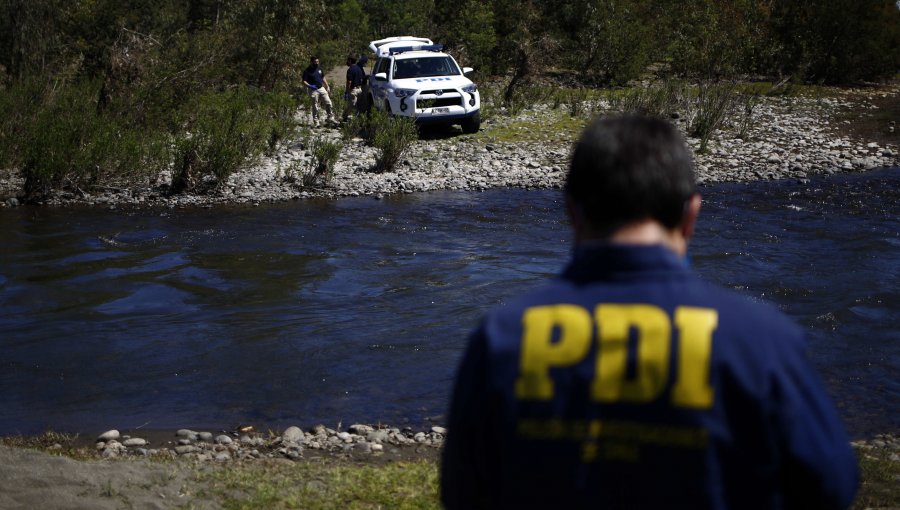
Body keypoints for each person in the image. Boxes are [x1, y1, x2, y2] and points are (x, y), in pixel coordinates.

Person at [441, 115, 859, 510]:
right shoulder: (762, 339)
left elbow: (463, 491)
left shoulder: (501, 337)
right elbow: (831, 485)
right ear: (691, 214)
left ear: (571, 211)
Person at [302, 55, 335, 127]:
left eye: (317, 61)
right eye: (315, 62)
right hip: (313, 90)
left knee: (328, 102)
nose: (316, 63)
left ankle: (330, 118)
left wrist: (327, 86)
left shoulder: (319, 69)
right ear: (311, 62)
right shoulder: (307, 71)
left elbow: (323, 77)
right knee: (315, 106)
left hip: (321, 88)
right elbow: (304, 81)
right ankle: (316, 122)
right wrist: (310, 86)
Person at [343, 55, 365, 121]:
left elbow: (349, 82)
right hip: (359, 89)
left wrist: (347, 91)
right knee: (358, 105)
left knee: (351, 105)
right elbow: (362, 79)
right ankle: (358, 117)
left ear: (350, 61)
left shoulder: (350, 70)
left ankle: (345, 116)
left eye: (348, 60)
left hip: (353, 90)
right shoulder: (359, 68)